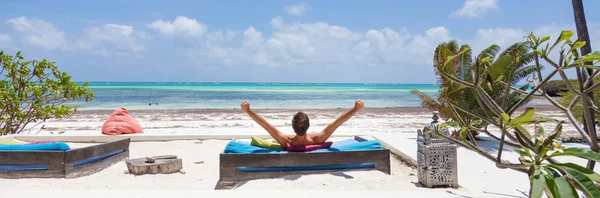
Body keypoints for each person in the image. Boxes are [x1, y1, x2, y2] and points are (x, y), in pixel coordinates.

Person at [240, 99, 365, 147]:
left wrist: (248, 111)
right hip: (307, 138)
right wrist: (355, 109)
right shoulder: (317, 139)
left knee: (273, 137)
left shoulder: (286, 140)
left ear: (293, 127)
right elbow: (338, 122)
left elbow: (266, 126)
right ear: (308, 126)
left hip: (290, 139)